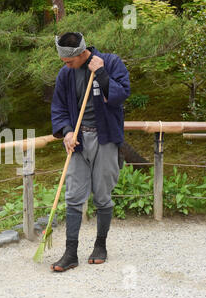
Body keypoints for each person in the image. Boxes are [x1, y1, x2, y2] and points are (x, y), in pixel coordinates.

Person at [50, 32, 130, 272]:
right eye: (64, 61)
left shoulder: (110, 62)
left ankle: (100, 245)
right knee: (73, 195)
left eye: (69, 61)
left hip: (105, 139)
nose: (66, 65)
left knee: (103, 195)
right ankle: (70, 252)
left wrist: (102, 74)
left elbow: (121, 95)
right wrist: (66, 132)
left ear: (81, 53)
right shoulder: (65, 74)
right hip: (79, 140)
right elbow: (59, 107)